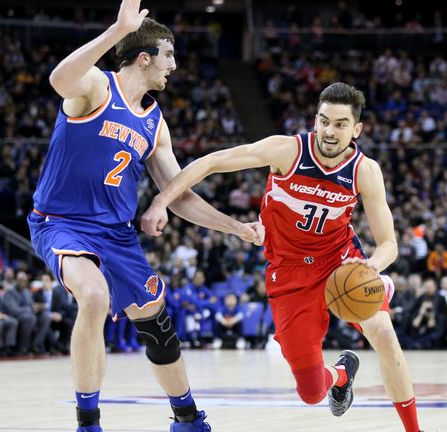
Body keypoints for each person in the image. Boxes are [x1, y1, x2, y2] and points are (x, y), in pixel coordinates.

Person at [27, 1, 261, 431]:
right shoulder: (97, 87)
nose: (174, 65)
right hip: (63, 222)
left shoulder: (155, 122)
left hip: (117, 235)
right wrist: (118, 30)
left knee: (156, 323)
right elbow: (58, 78)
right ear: (144, 57)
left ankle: (187, 417)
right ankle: (88, 422)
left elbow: (180, 196)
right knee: (94, 297)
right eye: (169, 55)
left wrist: (235, 227)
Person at [142, 82, 422, 431]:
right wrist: (160, 201)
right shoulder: (287, 151)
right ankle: (340, 374)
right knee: (310, 392)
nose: (329, 131)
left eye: (339, 124)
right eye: (324, 121)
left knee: (383, 333)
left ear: (356, 129)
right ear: (315, 120)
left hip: (339, 264)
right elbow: (212, 162)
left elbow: (389, 244)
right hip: (288, 272)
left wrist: (370, 267)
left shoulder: (365, 171)